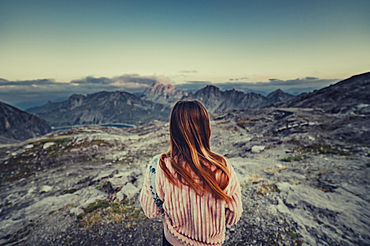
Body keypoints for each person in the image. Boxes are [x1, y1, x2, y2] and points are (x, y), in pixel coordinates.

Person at [140, 100, 243, 246]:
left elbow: (150, 211)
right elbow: (233, 216)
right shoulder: (222, 167)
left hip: (173, 242)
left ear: (173, 130)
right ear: (206, 129)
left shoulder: (160, 165)